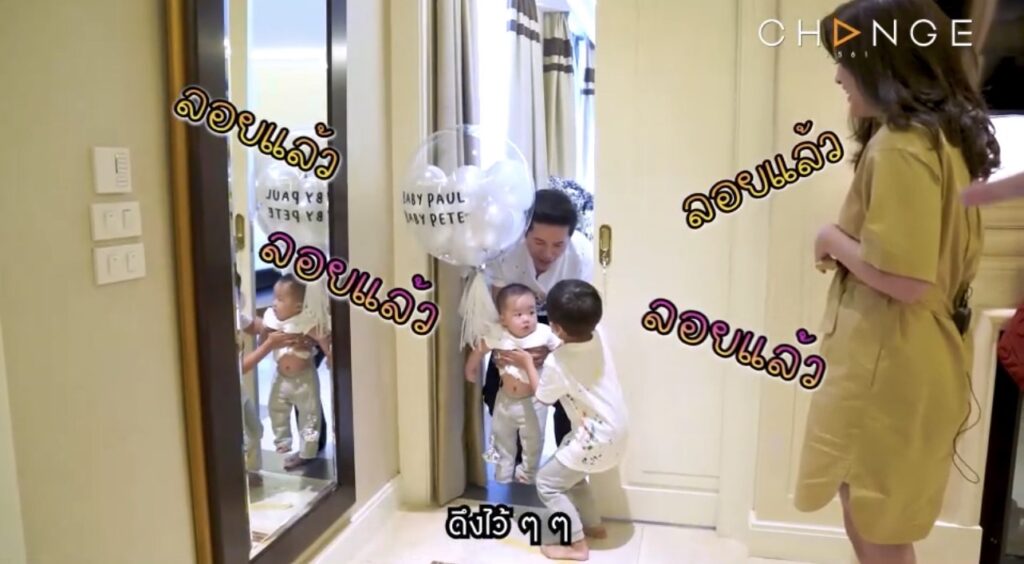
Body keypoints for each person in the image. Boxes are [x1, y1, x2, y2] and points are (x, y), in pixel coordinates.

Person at [795, 1, 1001, 562]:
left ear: (884, 64)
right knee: (879, 515)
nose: (838, 76)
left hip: (890, 364)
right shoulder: (941, 139)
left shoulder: (901, 146)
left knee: (875, 519)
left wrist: (831, 239)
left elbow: (907, 280)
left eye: (845, 61)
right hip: (909, 356)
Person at [503, 279, 627, 561]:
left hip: (593, 439)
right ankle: (594, 526)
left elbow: (543, 396)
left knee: (547, 483)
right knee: (572, 476)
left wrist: (526, 364)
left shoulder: (557, 363)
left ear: (556, 327)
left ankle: (577, 546)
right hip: (617, 432)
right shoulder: (600, 336)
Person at [483, 189, 594, 465]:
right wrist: (507, 347)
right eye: (539, 242)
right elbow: (499, 308)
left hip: (563, 320)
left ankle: (566, 462)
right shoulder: (505, 249)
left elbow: (578, 318)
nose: (548, 253)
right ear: (524, 232)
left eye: (558, 245)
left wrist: (553, 351)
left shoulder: (581, 254)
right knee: (497, 388)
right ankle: (516, 459)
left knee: (566, 396)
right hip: (514, 318)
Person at [465, 284, 561, 484]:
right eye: (518, 314)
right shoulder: (499, 334)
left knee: (533, 440)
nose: (527, 319)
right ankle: (503, 474)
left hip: (534, 401)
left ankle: (528, 473)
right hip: (505, 399)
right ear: (503, 319)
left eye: (531, 312)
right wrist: (471, 367)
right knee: (502, 437)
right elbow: (481, 348)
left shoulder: (544, 332)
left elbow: (562, 350)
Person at [262, 275, 333, 470]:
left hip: (304, 379)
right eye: (274, 298)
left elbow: (321, 336)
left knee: (310, 417)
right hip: (281, 377)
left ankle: (308, 450)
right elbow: (263, 335)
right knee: (276, 408)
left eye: (280, 299)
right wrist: (266, 337)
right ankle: (282, 440)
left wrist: (329, 354)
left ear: (297, 307)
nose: (274, 302)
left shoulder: (304, 320)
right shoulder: (272, 317)